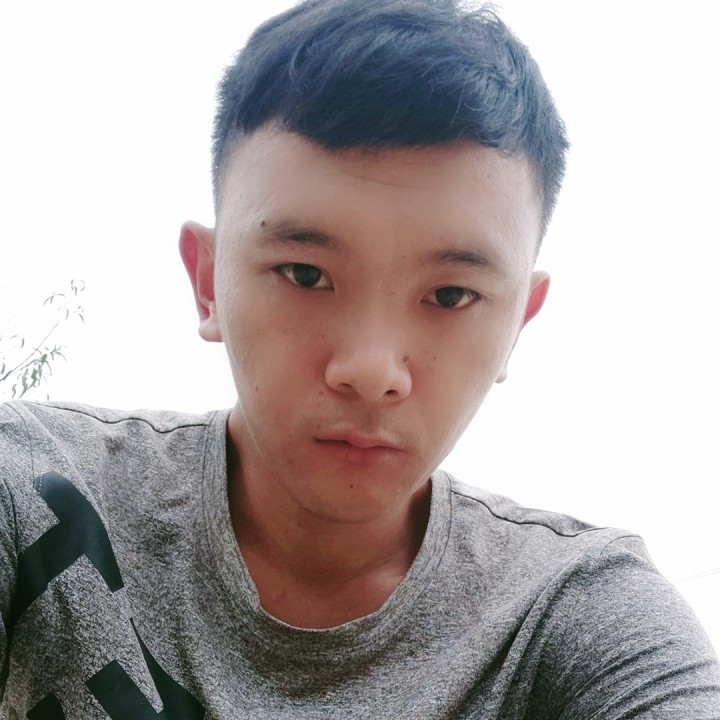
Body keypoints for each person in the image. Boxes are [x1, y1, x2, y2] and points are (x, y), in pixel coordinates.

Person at [1, 0, 718, 717]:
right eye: (305, 274)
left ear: (517, 324)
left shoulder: (571, 615)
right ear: (208, 282)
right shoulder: (35, 496)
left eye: (451, 294)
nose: (372, 372)